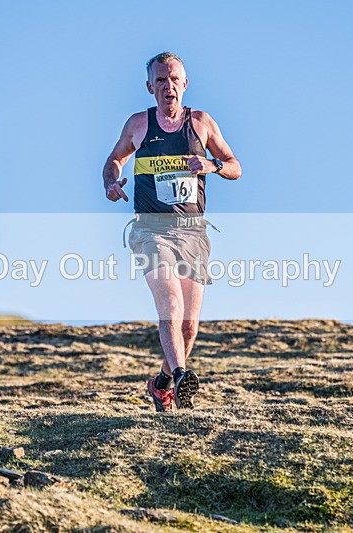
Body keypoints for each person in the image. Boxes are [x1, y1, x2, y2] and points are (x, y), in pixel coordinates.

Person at [102, 52, 242, 412]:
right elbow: (114, 160)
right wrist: (111, 182)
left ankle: (163, 383)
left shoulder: (201, 123)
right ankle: (181, 377)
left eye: (174, 79)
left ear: (185, 83)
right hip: (151, 230)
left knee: (189, 327)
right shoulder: (139, 124)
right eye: (161, 80)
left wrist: (211, 165)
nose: (169, 86)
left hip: (193, 233)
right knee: (171, 305)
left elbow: (235, 167)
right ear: (150, 87)